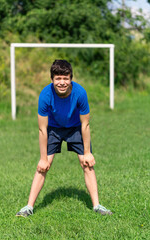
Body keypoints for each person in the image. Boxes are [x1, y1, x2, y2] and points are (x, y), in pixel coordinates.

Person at [16, 60, 112, 217]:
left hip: (75, 128)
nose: (62, 82)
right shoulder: (45, 95)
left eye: (65, 78)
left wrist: (87, 152)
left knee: (87, 163)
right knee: (43, 166)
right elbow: (42, 129)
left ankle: (97, 206)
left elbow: (85, 124)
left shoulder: (80, 93)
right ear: (52, 79)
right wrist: (43, 158)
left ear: (71, 78)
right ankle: (28, 207)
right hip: (53, 129)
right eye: (58, 78)